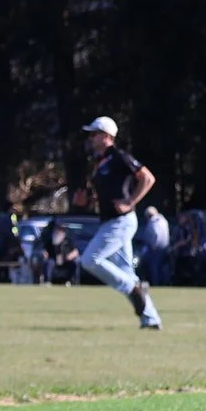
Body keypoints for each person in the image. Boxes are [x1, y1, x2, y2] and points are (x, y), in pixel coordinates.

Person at [76, 118, 163, 329]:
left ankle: (133, 288)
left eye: (94, 134)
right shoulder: (98, 162)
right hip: (108, 221)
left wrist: (131, 201)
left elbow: (147, 178)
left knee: (90, 260)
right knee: (126, 270)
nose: (90, 138)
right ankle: (151, 320)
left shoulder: (119, 157)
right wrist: (85, 202)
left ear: (106, 136)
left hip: (121, 221)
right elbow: (102, 194)